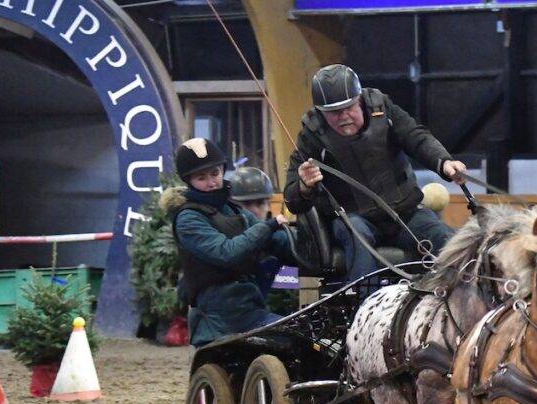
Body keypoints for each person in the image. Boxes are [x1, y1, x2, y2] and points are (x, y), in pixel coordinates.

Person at [283, 64, 467, 282]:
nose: (343, 116)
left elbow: (416, 137)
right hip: (354, 220)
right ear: (321, 113)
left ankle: (460, 296)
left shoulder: (384, 109)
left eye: (349, 107)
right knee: (357, 235)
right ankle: (364, 301)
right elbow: (292, 199)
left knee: (448, 241)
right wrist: (304, 186)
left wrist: (444, 162)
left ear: (359, 100)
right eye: (333, 112)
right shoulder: (311, 135)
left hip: (406, 214)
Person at [162, 138, 300, 347]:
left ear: (222, 171)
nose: (211, 182)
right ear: (188, 181)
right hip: (219, 324)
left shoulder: (232, 209)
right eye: (201, 177)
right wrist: (269, 225)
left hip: (250, 311)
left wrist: (306, 244)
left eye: (215, 173)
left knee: (304, 337)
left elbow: (275, 241)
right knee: (292, 341)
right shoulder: (188, 219)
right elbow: (226, 253)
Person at [229, 166, 285, 296]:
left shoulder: (280, 240)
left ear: (269, 206)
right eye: (247, 204)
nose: (254, 210)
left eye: (260, 203)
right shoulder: (225, 244)